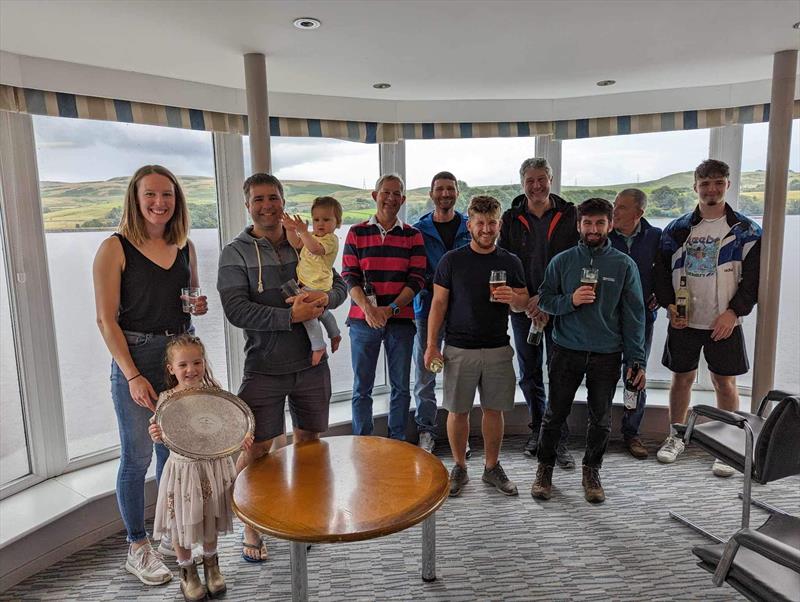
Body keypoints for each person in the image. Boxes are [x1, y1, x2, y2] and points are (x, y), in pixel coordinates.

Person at [217, 173, 347, 561]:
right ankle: (253, 529)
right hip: (264, 367)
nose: (267, 205)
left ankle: (302, 517)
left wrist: (323, 297)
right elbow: (235, 309)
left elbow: (338, 286)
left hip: (311, 366)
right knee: (256, 451)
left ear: (282, 200)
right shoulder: (234, 253)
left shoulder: (304, 240)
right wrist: (291, 316)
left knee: (309, 446)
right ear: (248, 205)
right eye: (258, 199)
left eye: (273, 197)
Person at [93, 164, 207, 585]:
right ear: (135, 199)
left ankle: (166, 535)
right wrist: (131, 376)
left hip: (179, 358)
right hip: (136, 356)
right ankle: (136, 546)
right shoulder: (114, 248)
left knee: (173, 454)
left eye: (168, 196)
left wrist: (197, 307)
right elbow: (106, 322)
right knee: (137, 456)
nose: (160, 203)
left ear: (177, 201)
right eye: (151, 195)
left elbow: (189, 300)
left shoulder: (185, 245)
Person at [532, 198, 646, 504]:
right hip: (566, 349)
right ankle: (545, 469)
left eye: (599, 223)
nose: (593, 229)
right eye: (587, 223)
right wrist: (570, 301)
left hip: (607, 353)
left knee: (601, 419)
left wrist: (637, 359)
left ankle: (591, 471)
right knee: (555, 414)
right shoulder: (562, 261)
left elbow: (634, 316)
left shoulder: (623, 265)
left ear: (609, 225)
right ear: (579, 225)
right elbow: (544, 300)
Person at [654, 159, 761, 477]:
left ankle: (729, 446)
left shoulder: (746, 230)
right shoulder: (677, 229)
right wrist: (669, 305)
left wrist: (734, 312)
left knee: (724, 383)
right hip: (685, 320)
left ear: (728, 184)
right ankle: (676, 435)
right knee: (681, 380)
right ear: (695, 187)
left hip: (723, 321)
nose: (711, 189)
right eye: (705, 183)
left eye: (718, 182)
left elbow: (753, 280)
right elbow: (660, 272)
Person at [425, 195, 529, 497]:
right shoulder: (451, 261)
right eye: (480, 223)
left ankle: (491, 467)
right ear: (469, 224)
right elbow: (438, 305)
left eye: (492, 223)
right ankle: (459, 466)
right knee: (457, 412)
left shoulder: (510, 261)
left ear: (499, 224)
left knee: (494, 411)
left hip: (498, 348)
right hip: (458, 349)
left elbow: (523, 303)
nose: (486, 229)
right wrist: (432, 345)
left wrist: (515, 299)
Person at [149, 335, 253, 601]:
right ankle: (187, 572)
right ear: (171, 368)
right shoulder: (167, 400)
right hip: (184, 472)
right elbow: (163, 433)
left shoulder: (214, 392)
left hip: (213, 467)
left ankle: (211, 565)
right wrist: (155, 434)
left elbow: (228, 425)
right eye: (183, 364)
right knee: (181, 522)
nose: (191, 369)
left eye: (196, 362)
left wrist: (241, 437)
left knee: (210, 519)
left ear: (204, 363)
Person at [499, 157, 578, 467]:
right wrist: (529, 301)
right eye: (530, 180)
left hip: (560, 310)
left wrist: (547, 300)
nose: (536, 186)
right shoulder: (510, 217)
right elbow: (506, 263)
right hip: (524, 311)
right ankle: (538, 430)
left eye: (541, 179)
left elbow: (574, 261)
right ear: (522, 184)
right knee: (530, 373)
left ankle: (558, 437)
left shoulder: (570, 214)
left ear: (551, 179)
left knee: (560, 373)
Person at [342, 174, 426, 440]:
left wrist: (389, 309)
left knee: (401, 387)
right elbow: (348, 275)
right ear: (374, 195)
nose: (391, 198)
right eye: (386, 192)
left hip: (400, 321)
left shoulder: (413, 235)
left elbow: (417, 279)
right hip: (361, 320)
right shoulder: (356, 232)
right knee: (361, 388)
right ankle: (362, 442)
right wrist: (368, 308)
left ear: (403, 199)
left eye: (397, 193)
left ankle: (398, 442)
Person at [412, 172, 471, 454]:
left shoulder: (470, 227)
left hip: (464, 313)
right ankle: (426, 430)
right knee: (426, 373)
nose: (445, 194)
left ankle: (460, 432)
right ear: (431, 193)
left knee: (460, 374)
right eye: (440, 189)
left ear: (457, 192)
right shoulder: (418, 231)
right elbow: (412, 273)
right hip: (427, 311)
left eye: (450, 189)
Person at [609, 189, 662, 459]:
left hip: (641, 320)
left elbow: (665, 272)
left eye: (621, 207)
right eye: (615, 205)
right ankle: (600, 429)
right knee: (604, 374)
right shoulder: (605, 237)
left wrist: (660, 296)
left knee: (634, 375)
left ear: (639, 213)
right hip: (607, 320)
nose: (614, 211)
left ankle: (631, 432)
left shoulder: (655, 237)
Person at [282, 195, 344, 366]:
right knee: (322, 312)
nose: (320, 224)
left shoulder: (330, 240)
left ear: (337, 223)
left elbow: (315, 249)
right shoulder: (312, 236)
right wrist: (289, 229)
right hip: (306, 283)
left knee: (307, 314)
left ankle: (318, 346)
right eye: (316, 219)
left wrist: (303, 232)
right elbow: (296, 243)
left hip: (318, 284)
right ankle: (335, 333)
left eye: (326, 219)